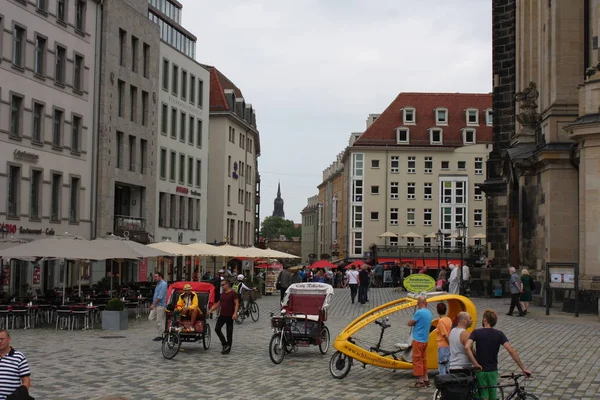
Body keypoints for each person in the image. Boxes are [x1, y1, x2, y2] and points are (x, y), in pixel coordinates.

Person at [465, 309, 531, 400]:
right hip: (492, 371)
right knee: (493, 397)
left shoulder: (476, 332)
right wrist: (523, 368)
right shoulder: (499, 334)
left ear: (485, 319)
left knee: (483, 396)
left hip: (480, 371)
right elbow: (511, 351)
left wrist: (475, 363)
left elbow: (466, 347)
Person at [207, 278, 239, 354]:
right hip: (222, 315)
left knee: (229, 332)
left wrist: (235, 313)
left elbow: (237, 304)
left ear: (227, 285)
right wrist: (211, 310)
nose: (222, 286)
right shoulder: (222, 294)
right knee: (217, 329)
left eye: (223, 285)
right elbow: (219, 303)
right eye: (221, 285)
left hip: (230, 315)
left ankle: (228, 348)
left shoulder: (233, 293)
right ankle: (224, 344)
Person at [407, 296, 433, 388]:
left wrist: (412, 321)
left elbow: (410, 323)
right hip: (425, 340)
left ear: (419, 303)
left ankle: (420, 381)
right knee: (423, 360)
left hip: (418, 340)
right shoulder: (429, 312)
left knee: (417, 360)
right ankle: (426, 379)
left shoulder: (419, 312)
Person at [0, 330, 31, 400]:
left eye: (2, 339)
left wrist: (21, 395)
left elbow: (26, 381)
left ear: (9, 339)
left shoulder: (19, 357)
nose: (0, 341)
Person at [149, 272, 168, 341]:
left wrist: (153, 304)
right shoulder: (157, 284)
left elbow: (160, 296)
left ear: (160, 276)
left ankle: (161, 335)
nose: (155, 278)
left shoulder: (163, 284)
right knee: (150, 318)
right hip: (156, 304)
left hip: (160, 305)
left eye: (156, 277)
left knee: (159, 320)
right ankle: (163, 330)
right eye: (154, 277)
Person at [434, 303, 452, 375]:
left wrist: (450, 344)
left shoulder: (441, 321)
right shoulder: (449, 319)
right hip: (447, 346)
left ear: (437, 310)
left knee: (441, 365)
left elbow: (445, 335)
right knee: (448, 364)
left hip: (442, 345)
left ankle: (443, 380)